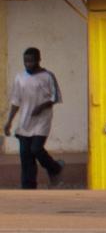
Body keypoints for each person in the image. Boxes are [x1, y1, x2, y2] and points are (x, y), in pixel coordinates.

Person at [5, 48, 63, 189]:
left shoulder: (48, 76)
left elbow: (55, 98)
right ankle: (28, 187)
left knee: (36, 149)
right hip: (25, 122)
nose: (28, 64)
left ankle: (55, 168)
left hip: (42, 121)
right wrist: (9, 122)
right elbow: (15, 101)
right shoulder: (20, 77)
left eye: (31, 61)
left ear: (38, 60)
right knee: (26, 156)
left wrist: (41, 106)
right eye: (25, 61)